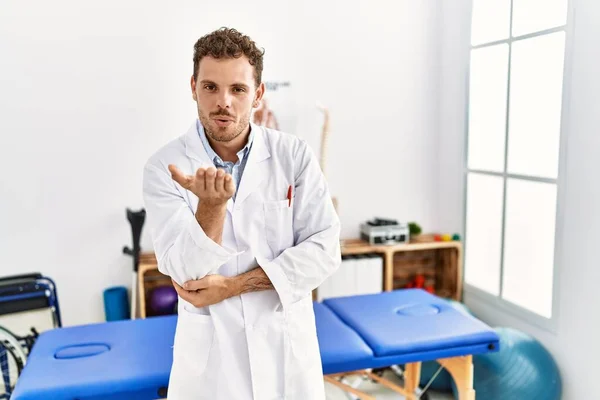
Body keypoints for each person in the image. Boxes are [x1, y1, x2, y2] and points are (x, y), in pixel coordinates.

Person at [142, 27, 341, 400]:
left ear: (258, 94)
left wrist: (235, 285)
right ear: (193, 87)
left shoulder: (293, 156)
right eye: (211, 87)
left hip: (285, 350)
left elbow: (325, 251)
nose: (224, 102)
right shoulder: (163, 167)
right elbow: (186, 276)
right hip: (211, 363)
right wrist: (211, 208)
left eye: (238, 89)